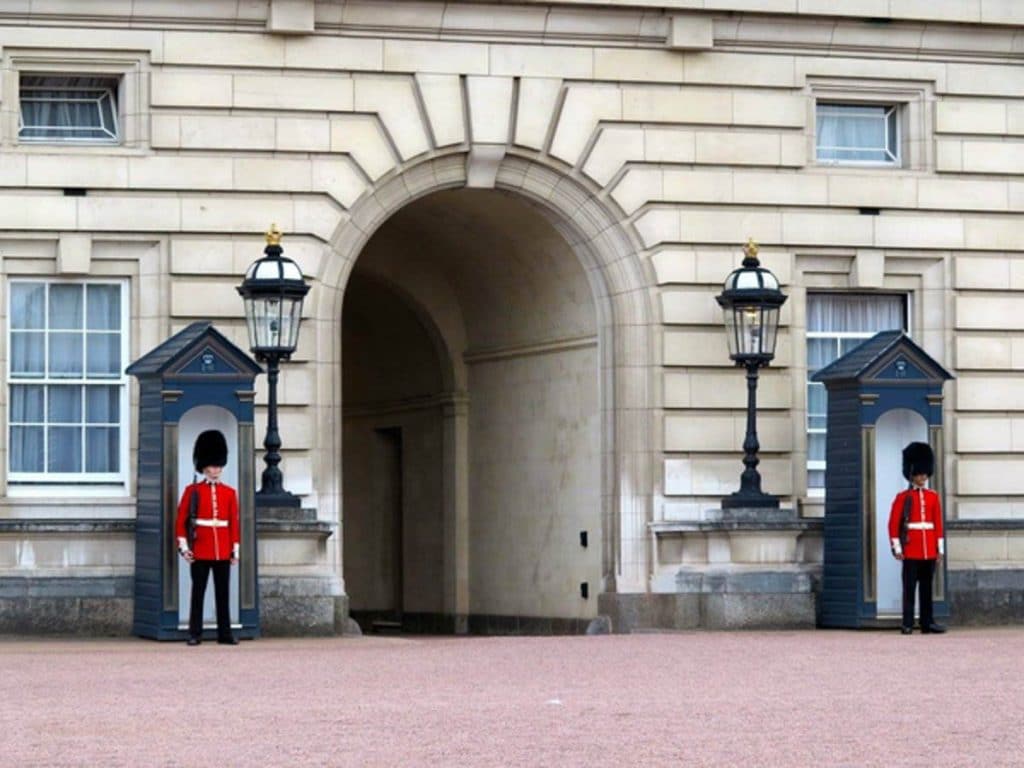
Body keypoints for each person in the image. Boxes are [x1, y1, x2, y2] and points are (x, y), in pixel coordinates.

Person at [175, 429, 240, 646]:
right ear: (204, 467)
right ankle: (195, 633)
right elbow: (181, 521)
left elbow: (234, 523)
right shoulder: (192, 490)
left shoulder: (229, 493)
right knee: (198, 593)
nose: (216, 470)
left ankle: (225, 633)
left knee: (223, 594)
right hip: (200, 548)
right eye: (213, 466)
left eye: (219, 465)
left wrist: (235, 549)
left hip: (221, 549)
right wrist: (184, 548)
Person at [888, 441, 946, 635]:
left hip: (929, 549)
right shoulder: (902, 497)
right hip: (911, 549)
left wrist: (939, 549)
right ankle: (907, 623)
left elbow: (938, 524)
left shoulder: (933, 497)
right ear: (911, 474)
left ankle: (927, 622)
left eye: (924, 473)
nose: (922, 477)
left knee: (927, 590)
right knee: (909, 589)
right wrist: (897, 548)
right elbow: (893, 524)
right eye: (919, 474)